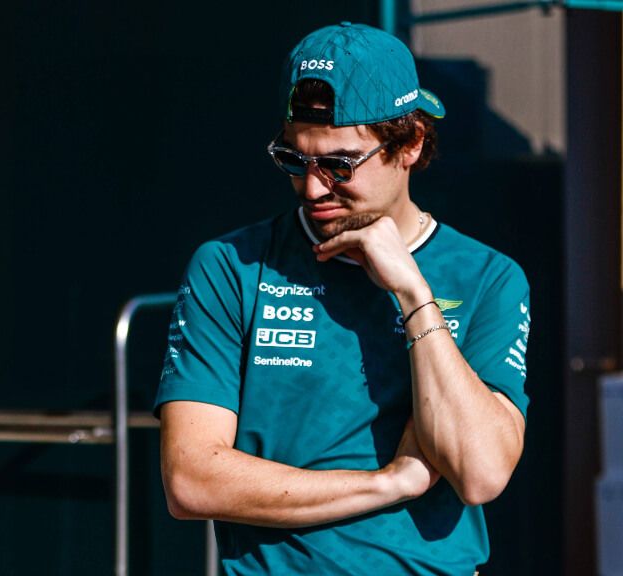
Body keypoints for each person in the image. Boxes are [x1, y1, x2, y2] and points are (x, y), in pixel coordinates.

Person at [156, 22, 530, 575]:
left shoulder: (486, 277)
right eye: (294, 160)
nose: (313, 188)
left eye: (339, 165)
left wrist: (413, 294)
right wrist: (389, 483)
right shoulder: (233, 265)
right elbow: (190, 480)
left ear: (410, 143)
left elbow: (481, 474)